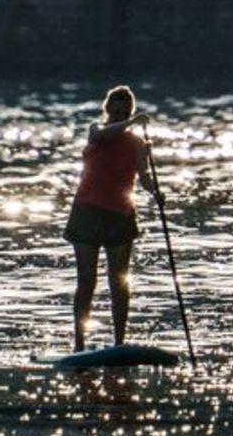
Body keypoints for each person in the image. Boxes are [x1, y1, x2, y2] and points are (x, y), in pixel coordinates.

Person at [64, 86, 161, 352]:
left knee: (119, 281)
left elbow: (144, 178)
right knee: (87, 281)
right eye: (115, 111)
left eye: (124, 112)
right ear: (107, 110)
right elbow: (106, 134)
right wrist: (131, 122)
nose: (119, 115)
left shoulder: (138, 143)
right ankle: (80, 344)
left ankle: (119, 342)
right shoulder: (96, 131)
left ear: (129, 110)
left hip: (120, 215)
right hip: (87, 212)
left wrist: (157, 193)